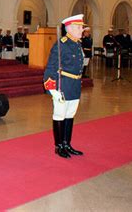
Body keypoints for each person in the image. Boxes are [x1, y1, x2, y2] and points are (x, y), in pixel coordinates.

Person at [43, 14, 85, 159]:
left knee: (70, 115)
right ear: (71, 29)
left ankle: (67, 144)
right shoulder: (62, 44)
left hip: (74, 85)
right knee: (60, 115)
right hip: (63, 85)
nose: (82, 30)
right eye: (79, 27)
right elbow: (51, 68)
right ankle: (59, 146)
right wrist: (52, 89)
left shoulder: (77, 43)